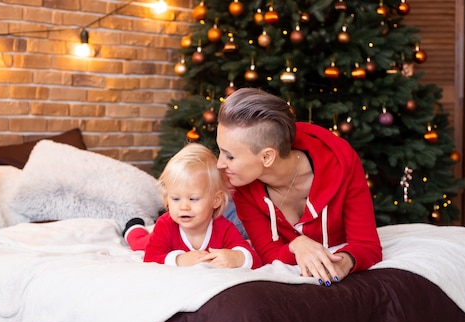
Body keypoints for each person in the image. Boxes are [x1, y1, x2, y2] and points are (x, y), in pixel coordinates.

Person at [216, 88, 382, 285]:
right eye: (220, 151)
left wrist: (344, 262)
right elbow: (267, 252)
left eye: (230, 156)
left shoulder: (342, 163)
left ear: (267, 157)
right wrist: (297, 245)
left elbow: (367, 245)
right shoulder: (241, 182)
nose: (219, 164)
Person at [124, 143, 262, 269]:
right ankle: (133, 228)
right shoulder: (166, 225)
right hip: (158, 234)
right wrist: (179, 259)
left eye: (193, 199)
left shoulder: (223, 228)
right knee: (139, 244)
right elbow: (151, 258)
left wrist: (238, 257)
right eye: (176, 198)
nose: (184, 207)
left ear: (216, 200)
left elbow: (255, 259)